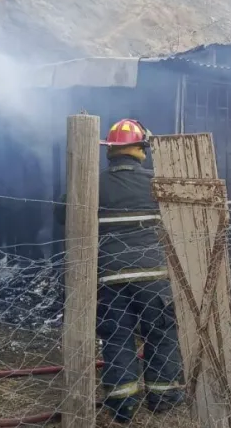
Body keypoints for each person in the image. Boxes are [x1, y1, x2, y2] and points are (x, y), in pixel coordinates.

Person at [56, 118, 184, 423]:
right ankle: (163, 398)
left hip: (110, 278)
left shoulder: (92, 185)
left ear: (109, 151)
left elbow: (62, 212)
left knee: (117, 337)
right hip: (154, 278)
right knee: (161, 333)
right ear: (141, 149)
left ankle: (123, 405)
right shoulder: (157, 183)